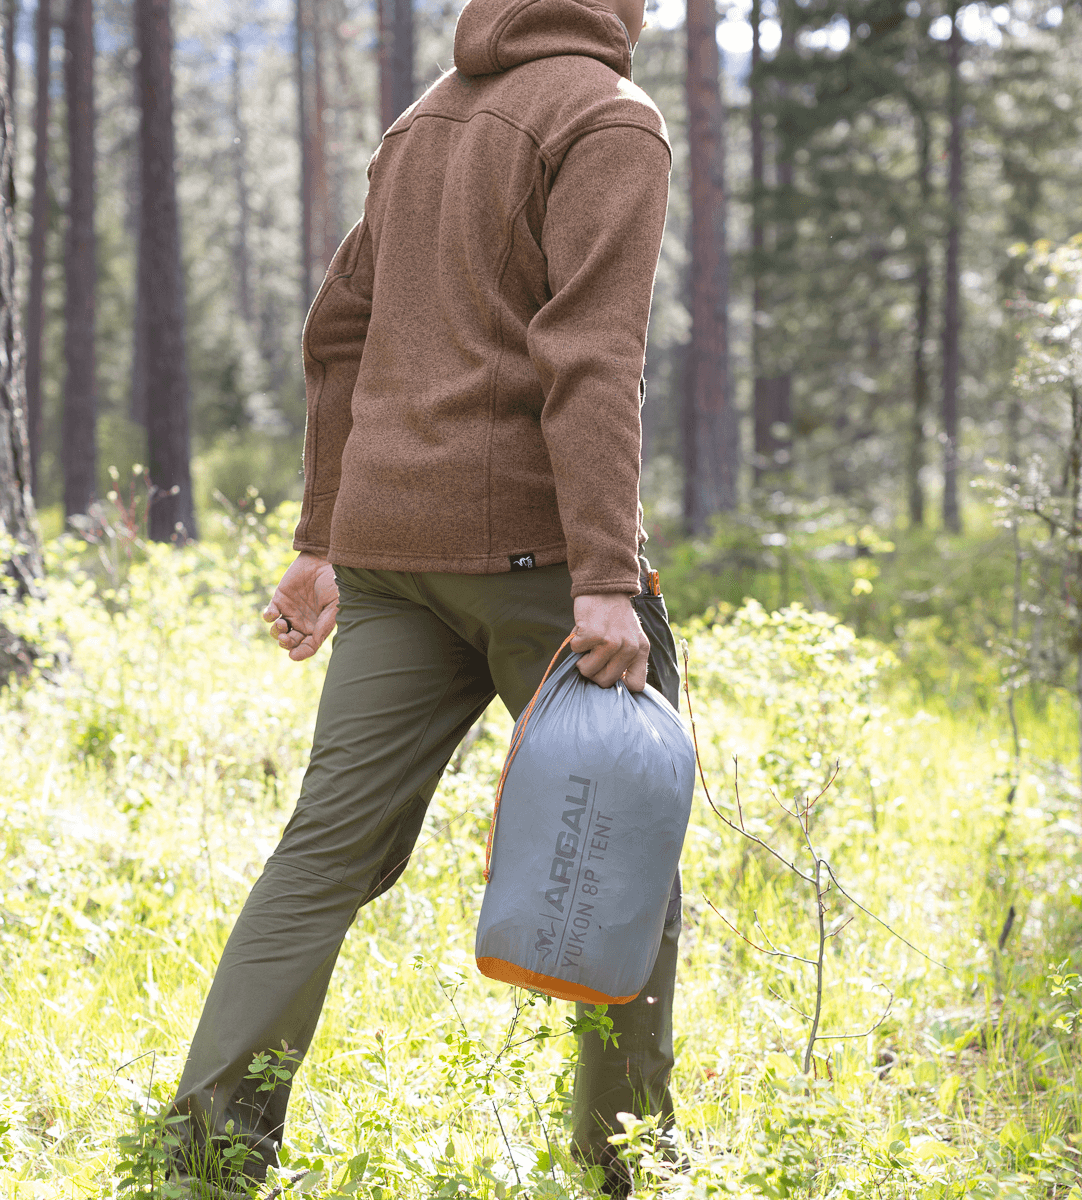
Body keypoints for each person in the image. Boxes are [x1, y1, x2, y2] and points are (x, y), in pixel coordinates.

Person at [168, 0, 677, 1193]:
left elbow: (334, 330)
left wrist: (323, 536)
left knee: (324, 852)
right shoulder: (610, 121)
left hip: (393, 555)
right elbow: (591, 354)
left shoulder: (424, 120)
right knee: (627, 848)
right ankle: (628, 1167)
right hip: (537, 566)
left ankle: (205, 1147)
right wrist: (604, 578)